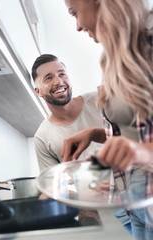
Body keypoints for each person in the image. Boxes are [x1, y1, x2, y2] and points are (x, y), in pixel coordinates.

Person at [61, 0, 153, 239]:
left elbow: (140, 148)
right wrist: (96, 134)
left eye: (74, 13)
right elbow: (136, 130)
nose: (78, 26)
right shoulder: (112, 59)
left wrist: (142, 153)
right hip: (140, 205)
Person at [31, 53, 131, 232]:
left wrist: (95, 133)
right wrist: (81, 197)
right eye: (48, 77)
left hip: (135, 208)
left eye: (62, 74)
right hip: (97, 225)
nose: (58, 81)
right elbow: (50, 193)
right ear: (37, 90)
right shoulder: (42, 137)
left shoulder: (100, 101)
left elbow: (134, 140)